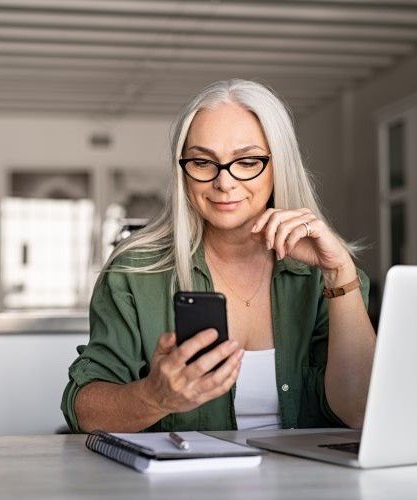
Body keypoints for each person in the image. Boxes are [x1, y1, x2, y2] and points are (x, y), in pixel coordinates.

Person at [61, 79, 376, 433]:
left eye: (246, 161)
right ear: (184, 172)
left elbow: (361, 411)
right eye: (202, 162)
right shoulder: (135, 271)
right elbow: (84, 410)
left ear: (278, 165)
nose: (224, 182)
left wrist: (340, 275)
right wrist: (154, 397)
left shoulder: (329, 276)